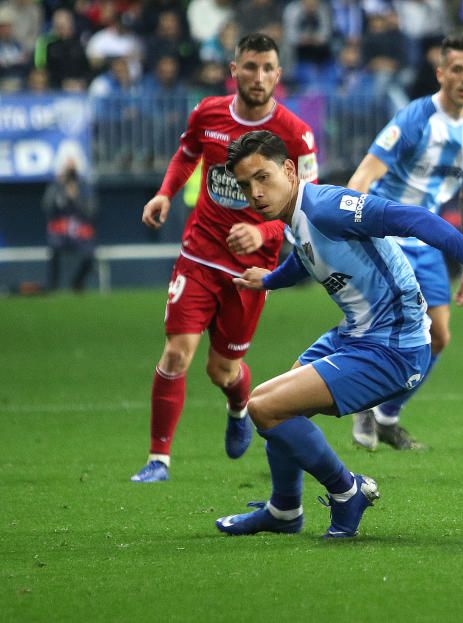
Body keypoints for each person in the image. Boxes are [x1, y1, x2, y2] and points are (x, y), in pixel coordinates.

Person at [215, 130, 463, 537]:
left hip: (395, 346)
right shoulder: (296, 216)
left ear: (288, 169)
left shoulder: (327, 206)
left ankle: (346, 491)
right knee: (279, 403)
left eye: (263, 177)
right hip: (356, 333)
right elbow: (306, 258)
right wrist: (268, 281)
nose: (256, 192)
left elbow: (413, 218)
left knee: (265, 408)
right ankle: (284, 511)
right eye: (246, 185)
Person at [130, 33, 319, 483]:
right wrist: (164, 193)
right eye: (249, 66)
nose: (258, 76)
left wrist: (263, 230)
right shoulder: (208, 113)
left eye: (267, 67)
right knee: (177, 353)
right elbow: (187, 154)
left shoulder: (296, 134)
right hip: (199, 253)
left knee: (222, 369)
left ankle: (238, 406)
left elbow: (307, 205)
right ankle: (159, 459)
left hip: (252, 271)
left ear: (278, 73)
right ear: (234, 70)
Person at [345, 35, 463, 451]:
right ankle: (361, 404)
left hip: (424, 240)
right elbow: (365, 174)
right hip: (386, 232)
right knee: (385, 331)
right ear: (441, 73)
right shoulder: (416, 118)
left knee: (439, 336)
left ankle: (386, 415)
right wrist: (357, 222)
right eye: (457, 69)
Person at [42, 160, 96, 292]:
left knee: (90, 255)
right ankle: (53, 286)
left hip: (80, 232)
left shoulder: (84, 188)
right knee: (54, 251)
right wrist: (63, 197)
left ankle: (77, 283)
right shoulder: (56, 187)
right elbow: (47, 208)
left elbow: (92, 211)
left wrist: (76, 198)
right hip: (61, 233)